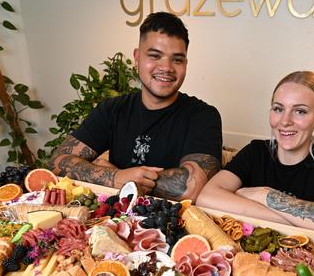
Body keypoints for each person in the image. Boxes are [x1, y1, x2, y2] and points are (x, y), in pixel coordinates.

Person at [48, 12, 222, 202]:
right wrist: (115, 177)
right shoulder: (112, 109)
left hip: (173, 226)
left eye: (177, 59)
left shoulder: (203, 116)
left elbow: (189, 187)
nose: (166, 67)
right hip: (111, 220)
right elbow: (57, 161)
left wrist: (122, 177)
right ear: (137, 57)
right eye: (155, 56)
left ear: (185, 64)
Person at [197, 71, 314, 238]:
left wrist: (263, 195)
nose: (285, 121)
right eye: (278, 109)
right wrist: (295, 222)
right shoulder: (256, 152)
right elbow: (206, 197)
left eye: (300, 111)